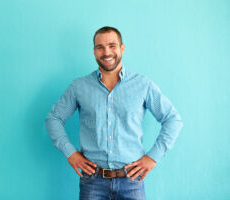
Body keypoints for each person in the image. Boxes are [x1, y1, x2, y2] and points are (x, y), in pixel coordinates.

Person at [45, 26, 183, 200]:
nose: (106, 52)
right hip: (92, 182)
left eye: (112, 45)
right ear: (94, 51)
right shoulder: (79, 87)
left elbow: (173, 120)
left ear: (122, 48)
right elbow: (54, 119)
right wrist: (70, 152)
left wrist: (153, 157)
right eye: (100, 47)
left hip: (132, 181)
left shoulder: (143, 85)